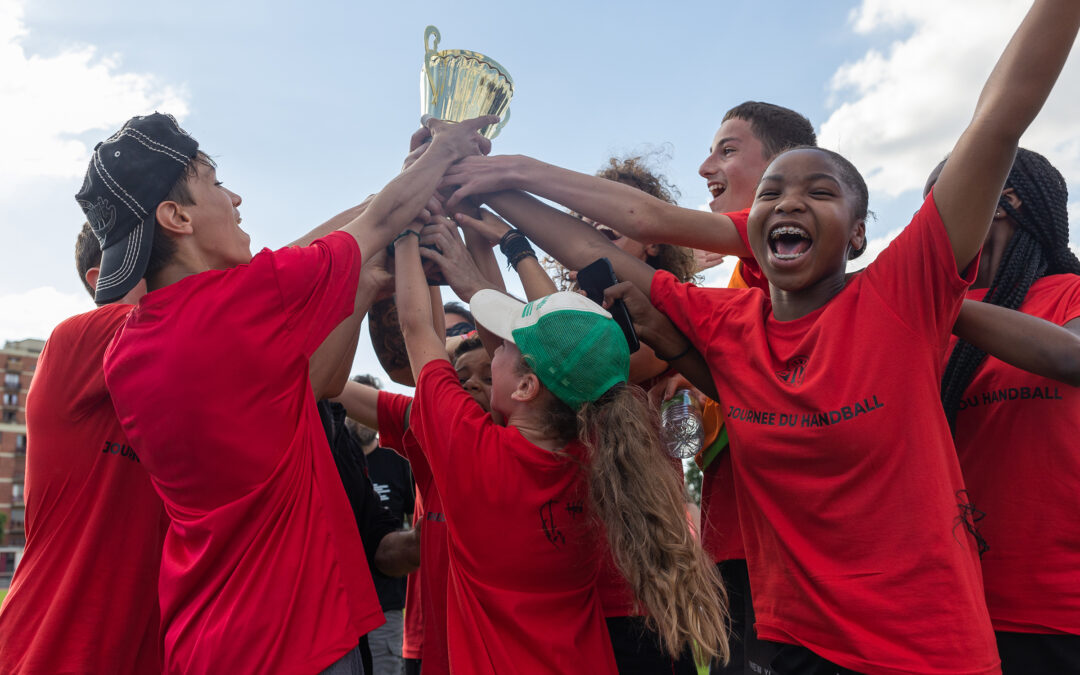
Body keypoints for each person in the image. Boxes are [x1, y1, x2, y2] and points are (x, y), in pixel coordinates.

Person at [443, 2, 1079, 671]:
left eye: (820, 191)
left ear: (859, 234)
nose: (790, 201)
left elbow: (999, 118)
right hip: (789, 645)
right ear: (753, 226)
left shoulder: (899, 296)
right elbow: (589, 246)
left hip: (923, 650)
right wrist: (472, 177)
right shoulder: (725, 325)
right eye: (772, 193)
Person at [87, 111, 493, 674]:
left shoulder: (127, 351)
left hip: (205, 639)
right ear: (177, 217)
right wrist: (444, 150)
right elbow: (378, 223)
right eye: (215, 183)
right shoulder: (244, 302)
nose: (236, 198)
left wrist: (408, 181)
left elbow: (320, 383)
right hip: (294, 638)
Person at [441, 102, 818, 674]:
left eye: (604, 226)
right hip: (573, 588)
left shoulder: (672, 319)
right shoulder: (569, 322)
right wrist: (475, 230)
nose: (583, 238)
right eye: (580, 225)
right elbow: (513, 348)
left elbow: (576, 351)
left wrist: (509, 231)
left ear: (651, 248)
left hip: (641, 593)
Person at [390, 215, 729, 673]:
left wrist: (405, 221)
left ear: (527, 386)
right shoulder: (601, 452)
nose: (494, 349)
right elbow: (556, 356)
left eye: (505, 346)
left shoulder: (471, 448)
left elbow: (416, 329)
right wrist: (471, 236)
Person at [933, 149, 1080, 673]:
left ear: (1001, 200)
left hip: (1062, 606)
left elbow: (1073, 356)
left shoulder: (1071, 293)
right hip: (957, 604)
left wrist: (934, 298)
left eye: (937, 201)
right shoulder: (926, 320)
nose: (928, 222)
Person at [0, 224, 163, 675]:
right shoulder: (74, 341)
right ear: (103, 278)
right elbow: (240, 300)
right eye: (158, 257)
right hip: (48, 654)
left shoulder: (186, 376)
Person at [347, 374, 416, 675]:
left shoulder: (398, 460)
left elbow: (417, 517)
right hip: (341, 607)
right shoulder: (337, 459)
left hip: (386, 605)